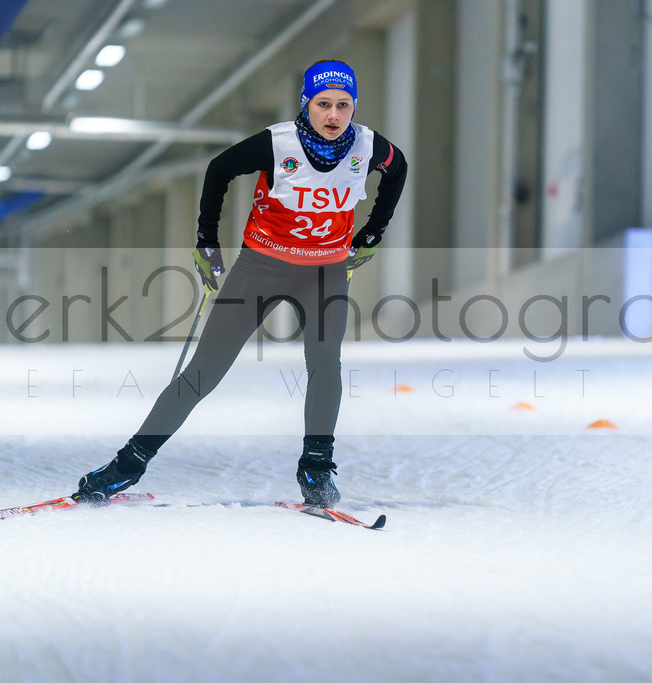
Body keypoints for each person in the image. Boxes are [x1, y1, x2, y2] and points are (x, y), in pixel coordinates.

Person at [73, 60, 407, 507]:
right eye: (323, 104)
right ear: (306, 104)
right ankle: (128, 464)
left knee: (325, 365)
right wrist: (206, 240)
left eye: (343, 106)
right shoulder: (277, 143)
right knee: (203, 373)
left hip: (325, 271)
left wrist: (371, 234)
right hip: (260, 269)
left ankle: (315, 469)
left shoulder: (368, 146)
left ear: (354, 107)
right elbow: (219, 169)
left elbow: (397, 169)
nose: (333, 115)